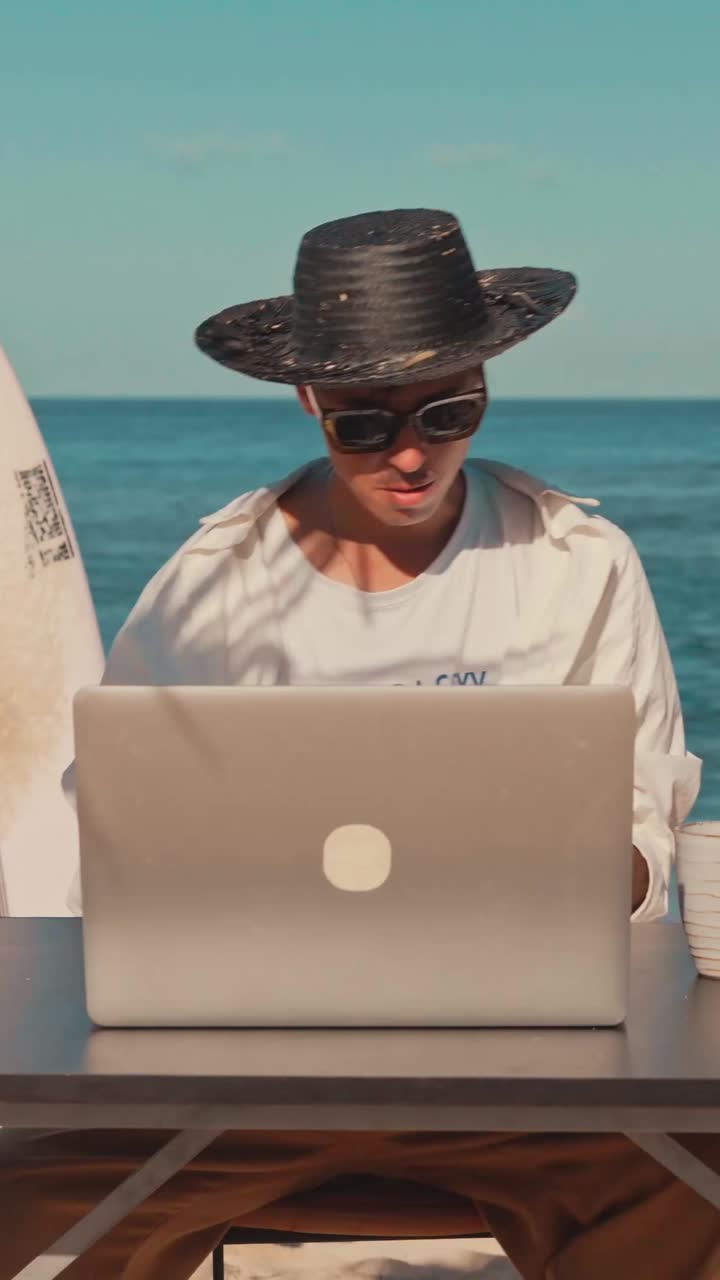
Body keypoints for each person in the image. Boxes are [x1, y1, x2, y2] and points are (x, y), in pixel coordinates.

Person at [1, 209, 717, 1280]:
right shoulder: (215, 580)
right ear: (309, 401)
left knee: (694, 1190)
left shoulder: (578, 561)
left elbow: (643, 836)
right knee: (27, 1211)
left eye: (448, 410)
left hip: (530, 1072)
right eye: (366, 426)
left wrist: (579, 863)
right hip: (239, 1077)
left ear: (487, 382)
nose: (414, 454)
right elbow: (109, 826)